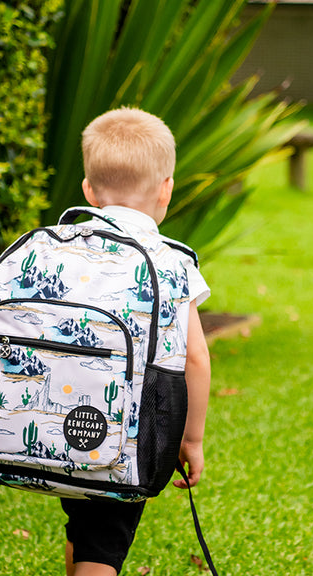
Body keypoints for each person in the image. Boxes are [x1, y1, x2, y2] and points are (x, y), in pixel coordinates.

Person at [61, 107, 212, 576]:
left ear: (88, 189)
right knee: (103, 540)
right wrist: (192, 438)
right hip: (127, 434)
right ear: (167, 188)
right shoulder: (173, 263)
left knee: (83, 525)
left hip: (57, 421)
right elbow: (195, 358)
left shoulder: (60, 244)